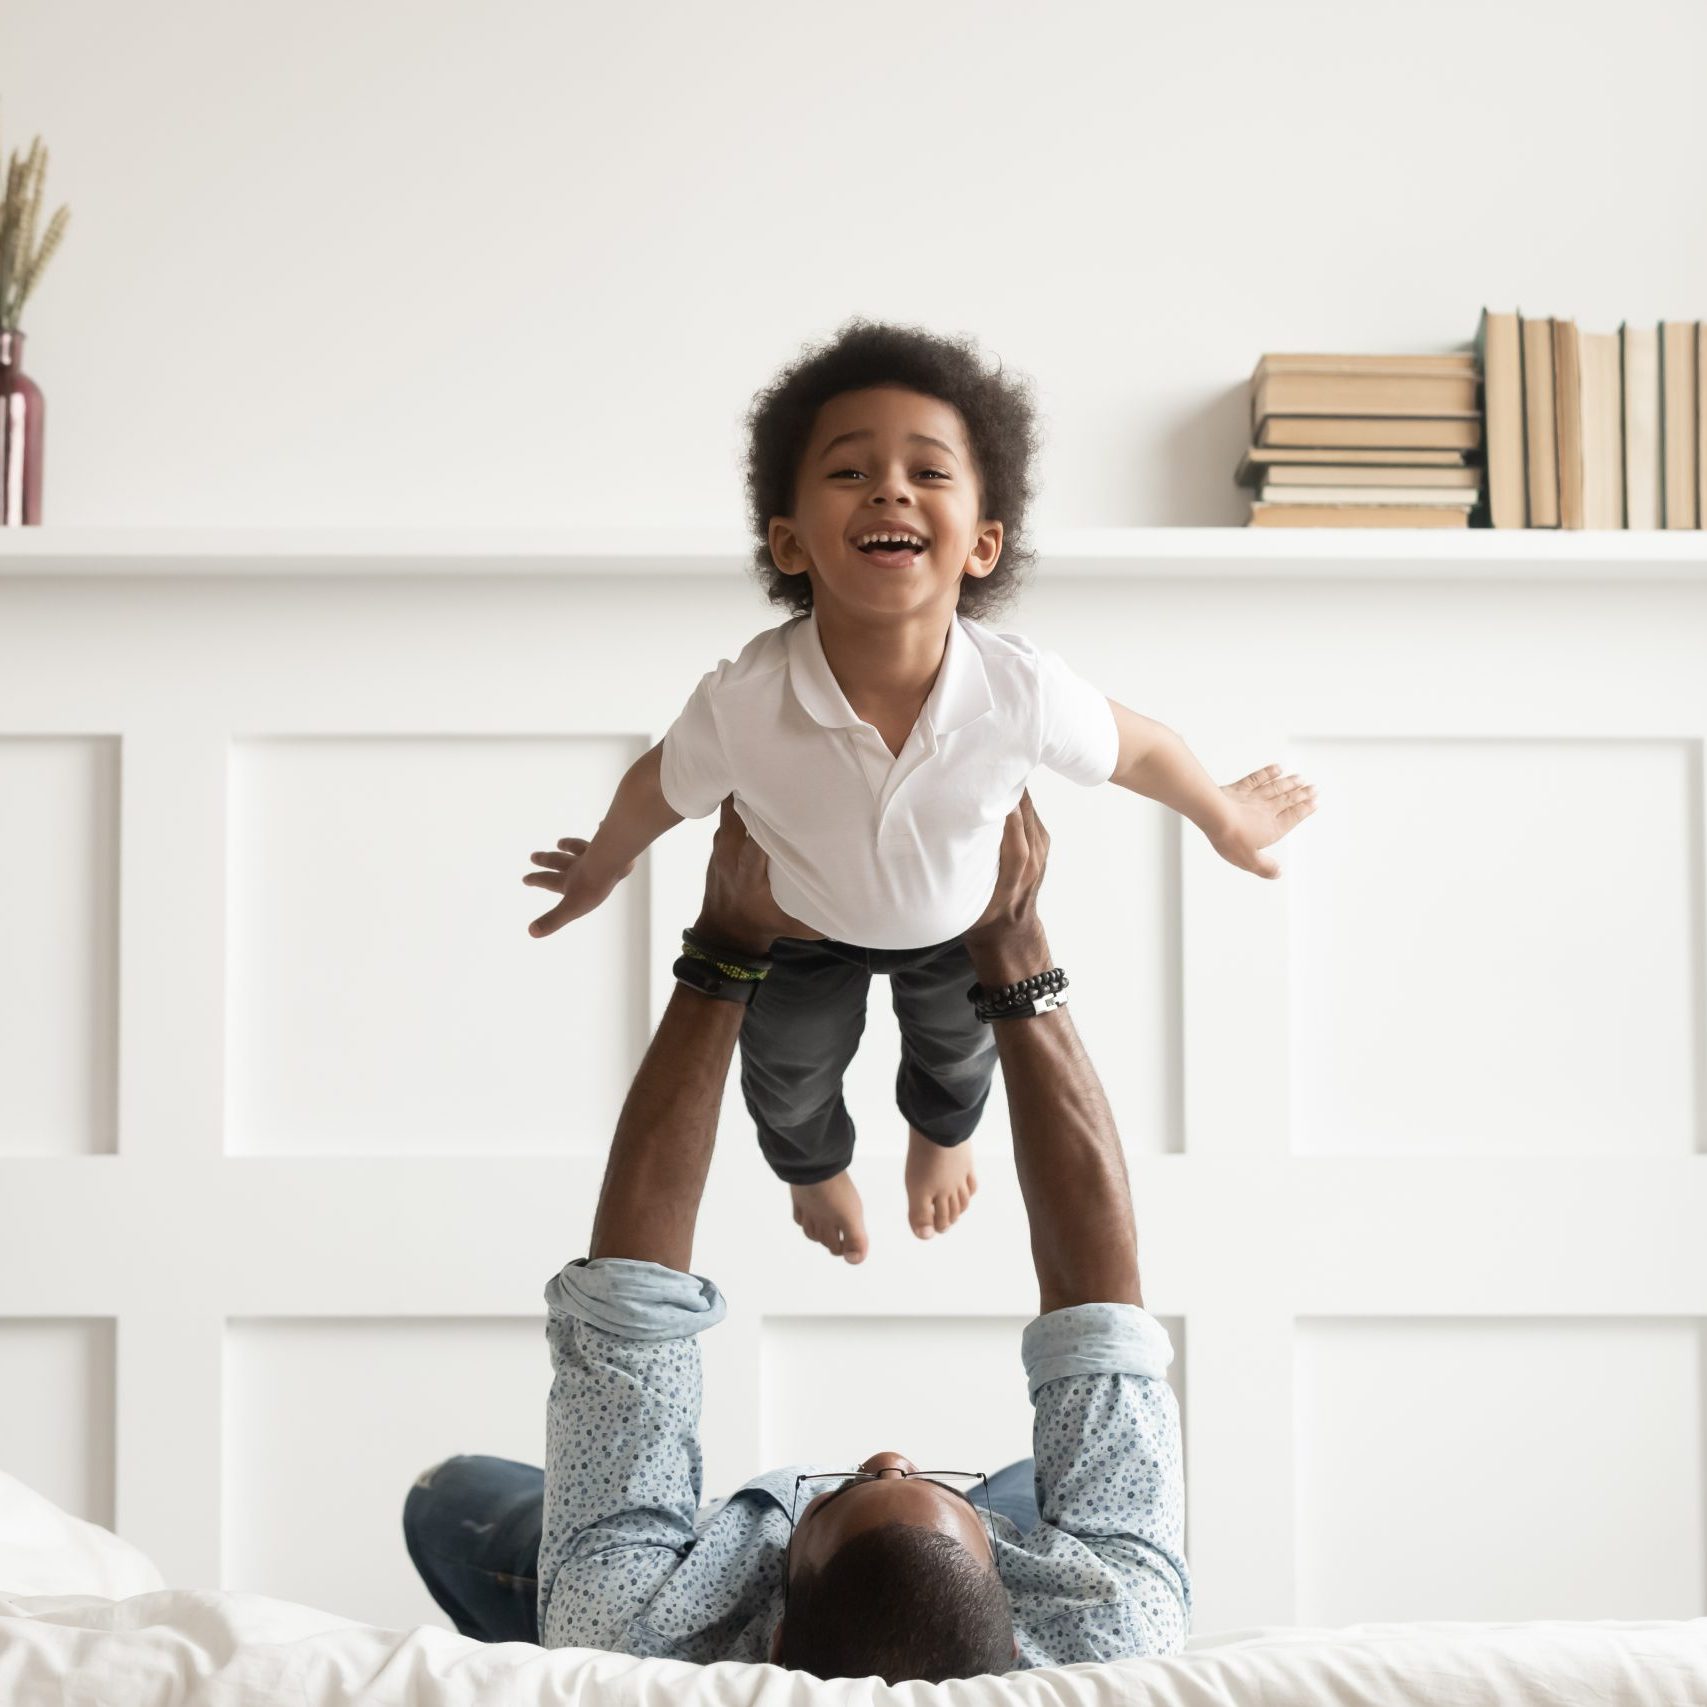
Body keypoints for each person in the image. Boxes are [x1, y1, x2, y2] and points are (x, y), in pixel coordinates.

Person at [409, 781, 1301, 1682]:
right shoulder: (1112, 1623)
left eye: (857, 1485)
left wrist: (721, 946)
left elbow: (630, 1307)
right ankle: (926, 1152)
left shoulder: (637, 1630)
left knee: (448, 1502)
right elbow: (1099, 1317)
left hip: (684, 1582)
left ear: (776, 1644)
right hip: (1007, 1546)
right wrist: (1012, 944)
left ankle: (646, 1547)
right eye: (906, 1476)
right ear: (1017, 1618)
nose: (884, 1454)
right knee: (1088, 1443)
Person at [522, 317, 1315, 1262]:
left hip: (957, 931)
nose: (890, 487)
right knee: (785, 1075)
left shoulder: (1018, 688)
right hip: (800, 938)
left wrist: (1223, 815)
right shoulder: (746, 699)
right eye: (849, 472)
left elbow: (1140, 748)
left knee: (958, 1056)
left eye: (928, 472)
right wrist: (602, 867)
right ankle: (812, 1167)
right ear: (788, 541)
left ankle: (939, 1139)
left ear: (982, 544)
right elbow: (657, 785)